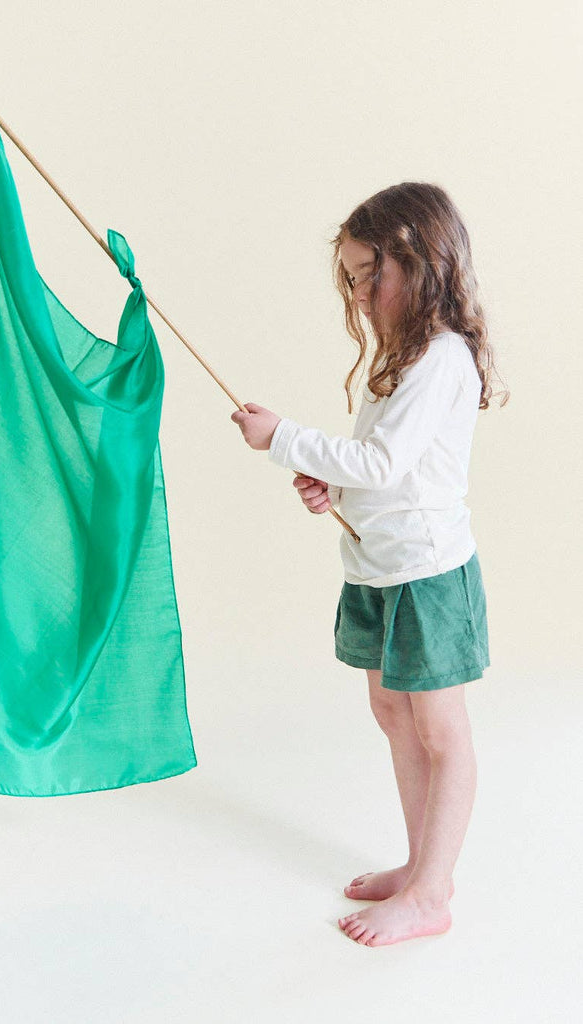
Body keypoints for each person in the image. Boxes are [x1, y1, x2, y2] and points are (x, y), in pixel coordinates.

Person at [230, 182, 509, 947]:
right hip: (375, 568)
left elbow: (383, 462)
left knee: (441, 733)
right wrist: (333, 484)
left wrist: (285, 438)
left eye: (365, 274)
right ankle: (421, 865)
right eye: (349, 278)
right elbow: (379, 467)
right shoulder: (404, 356)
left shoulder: (441, 359)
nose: (355, 294)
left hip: (424, 574)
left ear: (416, 264)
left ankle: (432, 893)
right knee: (392, 714)